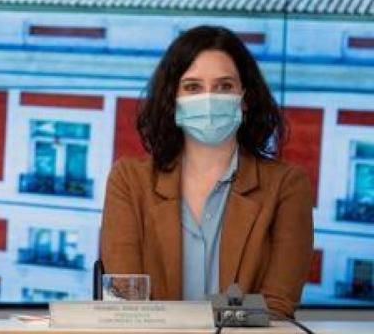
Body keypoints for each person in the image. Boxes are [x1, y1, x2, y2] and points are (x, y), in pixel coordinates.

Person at [100, 25, 313, 317]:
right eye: (193, 87)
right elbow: (126, 304)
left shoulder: (287, 186)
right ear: (172, 99)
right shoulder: (128, 181)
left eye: (224, 86)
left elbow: (275, 309)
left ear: (245, 98)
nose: (209, 99)